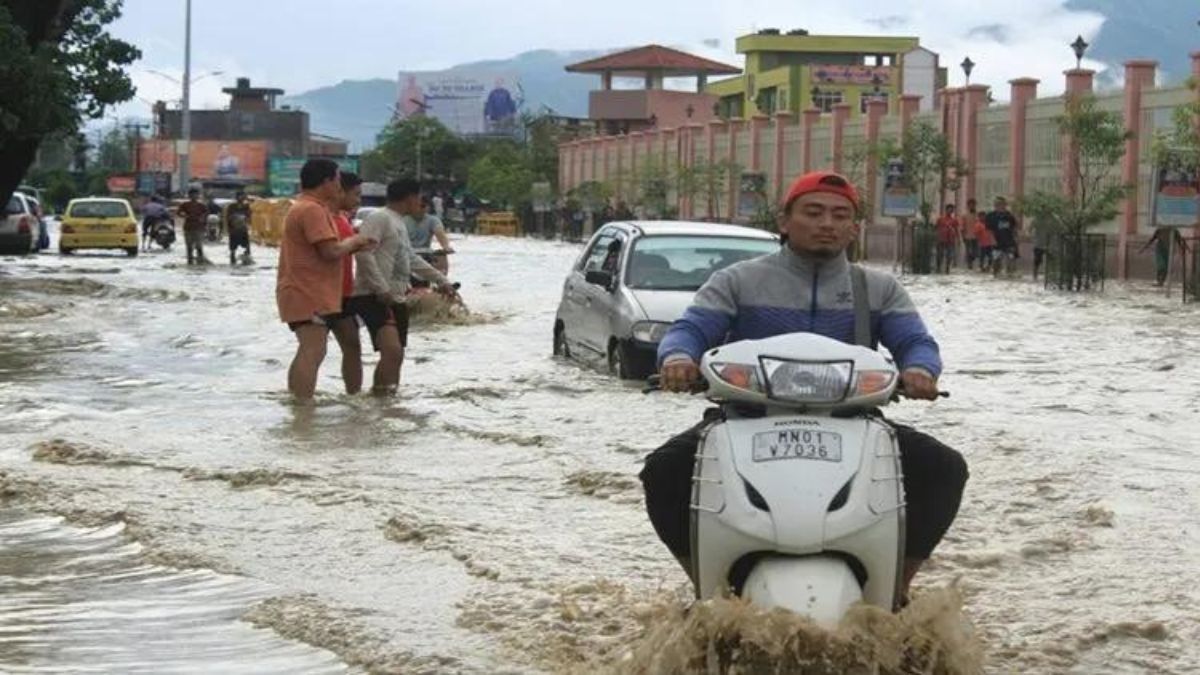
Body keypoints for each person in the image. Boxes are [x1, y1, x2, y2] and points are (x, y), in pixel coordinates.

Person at [638, 170, 968, 603]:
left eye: (840, 215)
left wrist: (920, 369)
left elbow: (915, 341)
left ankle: (896, 589)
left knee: (943, 468)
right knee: (663, 472)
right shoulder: (738, 280)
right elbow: (691, 329)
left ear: (854, 228)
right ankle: (706, 587)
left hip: (853, 420)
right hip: (746, 418)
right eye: (813, 212)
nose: (826, 223)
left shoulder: (878, 288)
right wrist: (678, 359)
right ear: (784, 220)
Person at [275, 159, 376, 401]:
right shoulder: (312, 210)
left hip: (305, 291)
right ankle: (303, 407)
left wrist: (353, 244)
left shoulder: (306, 207)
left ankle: (298, 404)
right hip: (307, 291)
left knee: (310, 349)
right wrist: (355, 241)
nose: (340, 185)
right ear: (326, 181)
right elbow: (330, 252)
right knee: (313, 350)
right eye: (337, 179)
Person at [348, 179, 457, 395]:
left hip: (397, 296)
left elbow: (410, 258)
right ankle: (378, 399)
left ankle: (388, 402)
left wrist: (442, 281)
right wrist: (380, 288)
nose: (421, 202)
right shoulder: (380, 218)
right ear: (410, 197)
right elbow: (363, 253)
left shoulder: (399, 222)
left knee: (397, 355)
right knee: (392, 351)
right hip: (374, 295)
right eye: (419, 197)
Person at [330, 172, 366, 394]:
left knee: (353, 345)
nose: (358, 200)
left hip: (345, 293)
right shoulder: (323, 218)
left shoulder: (343, 218)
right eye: (356, 194)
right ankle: (302, 403)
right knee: (314, 350)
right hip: (324, 294)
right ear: (340, 191)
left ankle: (354, 397)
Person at [406, 201, 455, 278]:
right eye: (417, 206)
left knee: (441, 257)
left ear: (427, 207)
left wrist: (446, 246)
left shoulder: (433, 220)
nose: (420, 209)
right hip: (406, 252)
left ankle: (442, 281)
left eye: (423, 206)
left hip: (426, 252)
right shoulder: (402, 219)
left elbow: (440, 234)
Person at [985, 196, 1020, 278]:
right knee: (996, 259)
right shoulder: (991, 216)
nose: (1001, 206)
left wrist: (1016, 238)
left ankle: (1010, 272)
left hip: (1009, 241)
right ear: (995, 205)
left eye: (1003, 204)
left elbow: (1014, 228)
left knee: (1011, 257)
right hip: (997, 241)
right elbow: (989, 230)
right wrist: (992, 240)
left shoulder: (1009, 216)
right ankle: (996, 273)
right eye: (998, 204)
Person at [178, 189, 210, 265]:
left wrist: (202, 218)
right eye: (192, 195)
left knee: (199, 245)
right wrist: (184, 215)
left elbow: (206, 213)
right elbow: (179, 213)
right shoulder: (185, 205)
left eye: (195, 194)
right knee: (189, 246)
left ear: (198, 196)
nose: (194, 196)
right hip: (188, 227)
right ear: (189, 196)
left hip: (199, 228)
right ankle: (190, 261)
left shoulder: (201, 205)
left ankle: (200, 261)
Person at [226, 192, 253, 265]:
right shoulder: (232, 206)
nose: (241, 198)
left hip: (243, 228)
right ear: (236, 197)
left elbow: (249, 216)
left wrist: (247, 221)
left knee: (246, 244)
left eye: (242, 196)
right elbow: (228, 217)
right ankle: (232, 257)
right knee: (233, 245)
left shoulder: (246, 206)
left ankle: (247, 257)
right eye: (240, 196)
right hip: (234, 229)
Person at [934, 204, 961, 275]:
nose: (950, 211)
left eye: (951, 210)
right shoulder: (940, 219)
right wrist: (936, 237)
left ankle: (947, 268)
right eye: (949, 209)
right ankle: (938, 267)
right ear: (946, 210)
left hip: (950, 239)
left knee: (949, 255)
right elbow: (936, 228)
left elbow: (957, 230)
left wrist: (958, 239)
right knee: (940, 254)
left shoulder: (954, 220)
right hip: (941, 239)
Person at [961, 199, 979, 269]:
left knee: (975, 252)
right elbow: (962, 226)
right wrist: (963, 236)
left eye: (973, 204)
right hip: (967, 236)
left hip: (976, 236)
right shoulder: (965, 215)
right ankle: (969, 264)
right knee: (968, 250)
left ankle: (971, 260)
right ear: (968, 206)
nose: (972, 206)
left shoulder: (977, 215)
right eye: (970, 205)